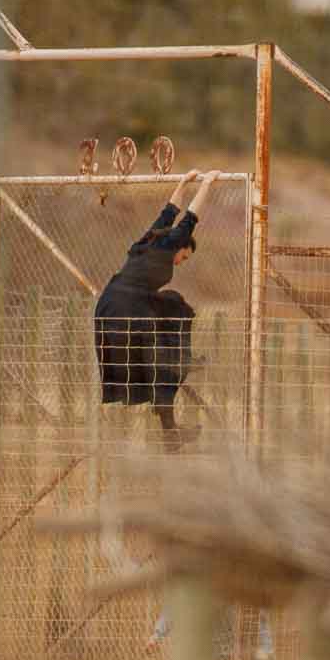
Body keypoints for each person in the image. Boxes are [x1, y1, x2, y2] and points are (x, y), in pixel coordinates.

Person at [94, 167, 215, 451]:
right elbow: (190, 218)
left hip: (111, 305)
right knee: (175, 311)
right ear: (181, 247)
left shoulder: (149, 240)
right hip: (128, 309)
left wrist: (183, 182)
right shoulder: (168, 244)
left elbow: (168, 212)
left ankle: (170, 430)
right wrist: (208, 184)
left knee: (172, 303)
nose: (181, 262)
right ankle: (182, 362)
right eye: (184, 257)